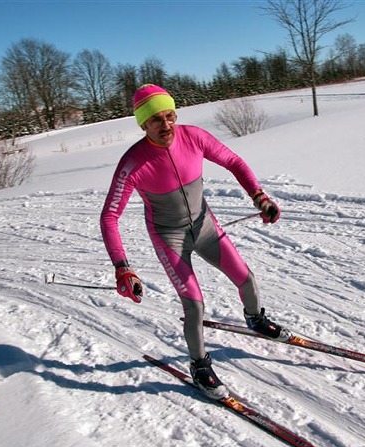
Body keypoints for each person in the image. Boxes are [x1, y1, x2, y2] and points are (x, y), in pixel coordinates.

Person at [100, 84, 291, 399]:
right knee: (194, 305)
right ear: (142, 124)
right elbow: (109, 217)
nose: (166, 126)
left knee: (246, 279)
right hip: (169, 238)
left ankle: (256, 319)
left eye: (170, 116)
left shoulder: (194, 138)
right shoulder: (133, 163)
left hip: (206, 227)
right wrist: (122, 267)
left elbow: (235, 162)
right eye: (156, 120)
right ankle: (200, 366)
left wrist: (259, 196)